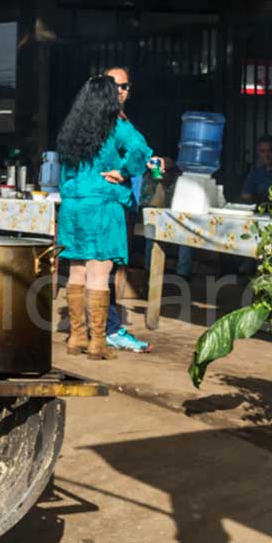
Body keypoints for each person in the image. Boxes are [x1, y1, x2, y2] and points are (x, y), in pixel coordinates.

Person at [58, 74, 155, 360]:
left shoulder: (72, 127)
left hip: (73, 205)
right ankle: (97, 343)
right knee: (99, 275)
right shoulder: (117, 126)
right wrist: (124, 172)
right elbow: (140, 150)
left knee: (76, 272)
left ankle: (76, 337)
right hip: (101, 204)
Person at [102, 64, 162, 353]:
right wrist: (127, 170)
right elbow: (137, 151)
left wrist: (152, 161)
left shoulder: (115, 119)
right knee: (106, 267)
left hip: (113, 200)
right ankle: (109, 328)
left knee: (102, 267)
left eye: (126, 86)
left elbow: (142, 153)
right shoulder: (110, 121)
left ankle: (99, 327)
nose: (122, 91)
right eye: (116, 86)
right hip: (110, 201)